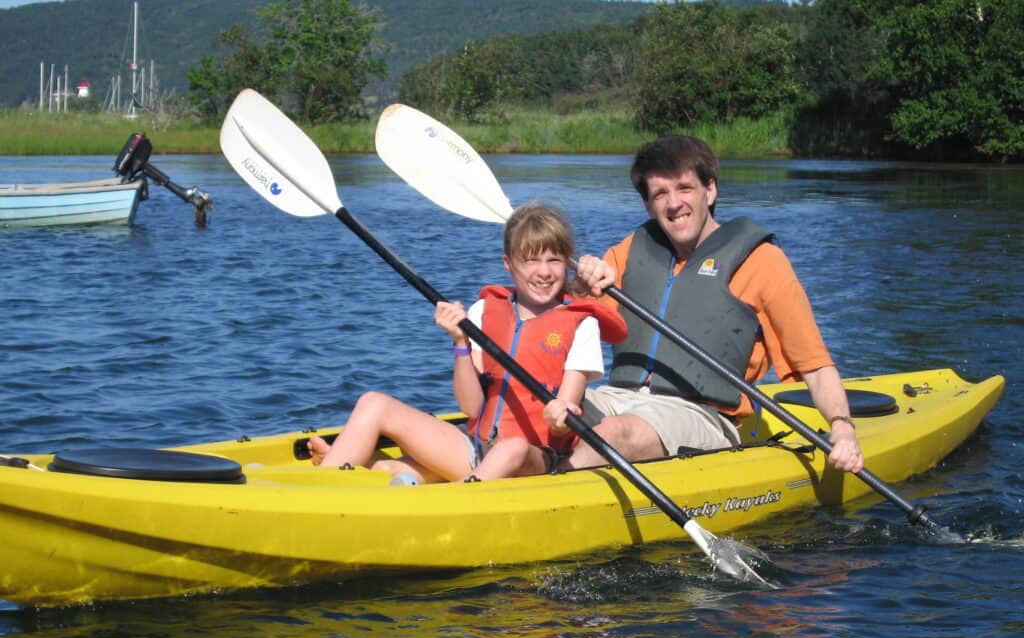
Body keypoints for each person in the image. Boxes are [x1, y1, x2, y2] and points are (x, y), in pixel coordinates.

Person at [566, 134, 864, 474]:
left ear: (711, 190)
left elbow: (815, 365)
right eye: (660, 193)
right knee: (544, 412)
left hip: (703, 416)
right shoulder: (630, 250)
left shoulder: (762, 261)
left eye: (685, 188)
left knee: (616, 434)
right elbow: (566, 332)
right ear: (648, 205)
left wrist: (842, 428)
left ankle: (543, 494)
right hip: (617, 398)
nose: (673, 203)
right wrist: (582, 283)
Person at [307, 201, 627, 484]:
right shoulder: (485, 310)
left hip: (534, 459)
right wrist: (460, 342)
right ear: (508, 264)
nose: (544, 272)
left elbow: (563, 424)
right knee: (373, 401)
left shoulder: (581, 323)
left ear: (566, 262)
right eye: (530, 261)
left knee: (510, 448)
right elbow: (470, 407)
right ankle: (328, 484)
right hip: (475, 447)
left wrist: (558, 416)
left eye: (554, 260)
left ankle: (446, 493)